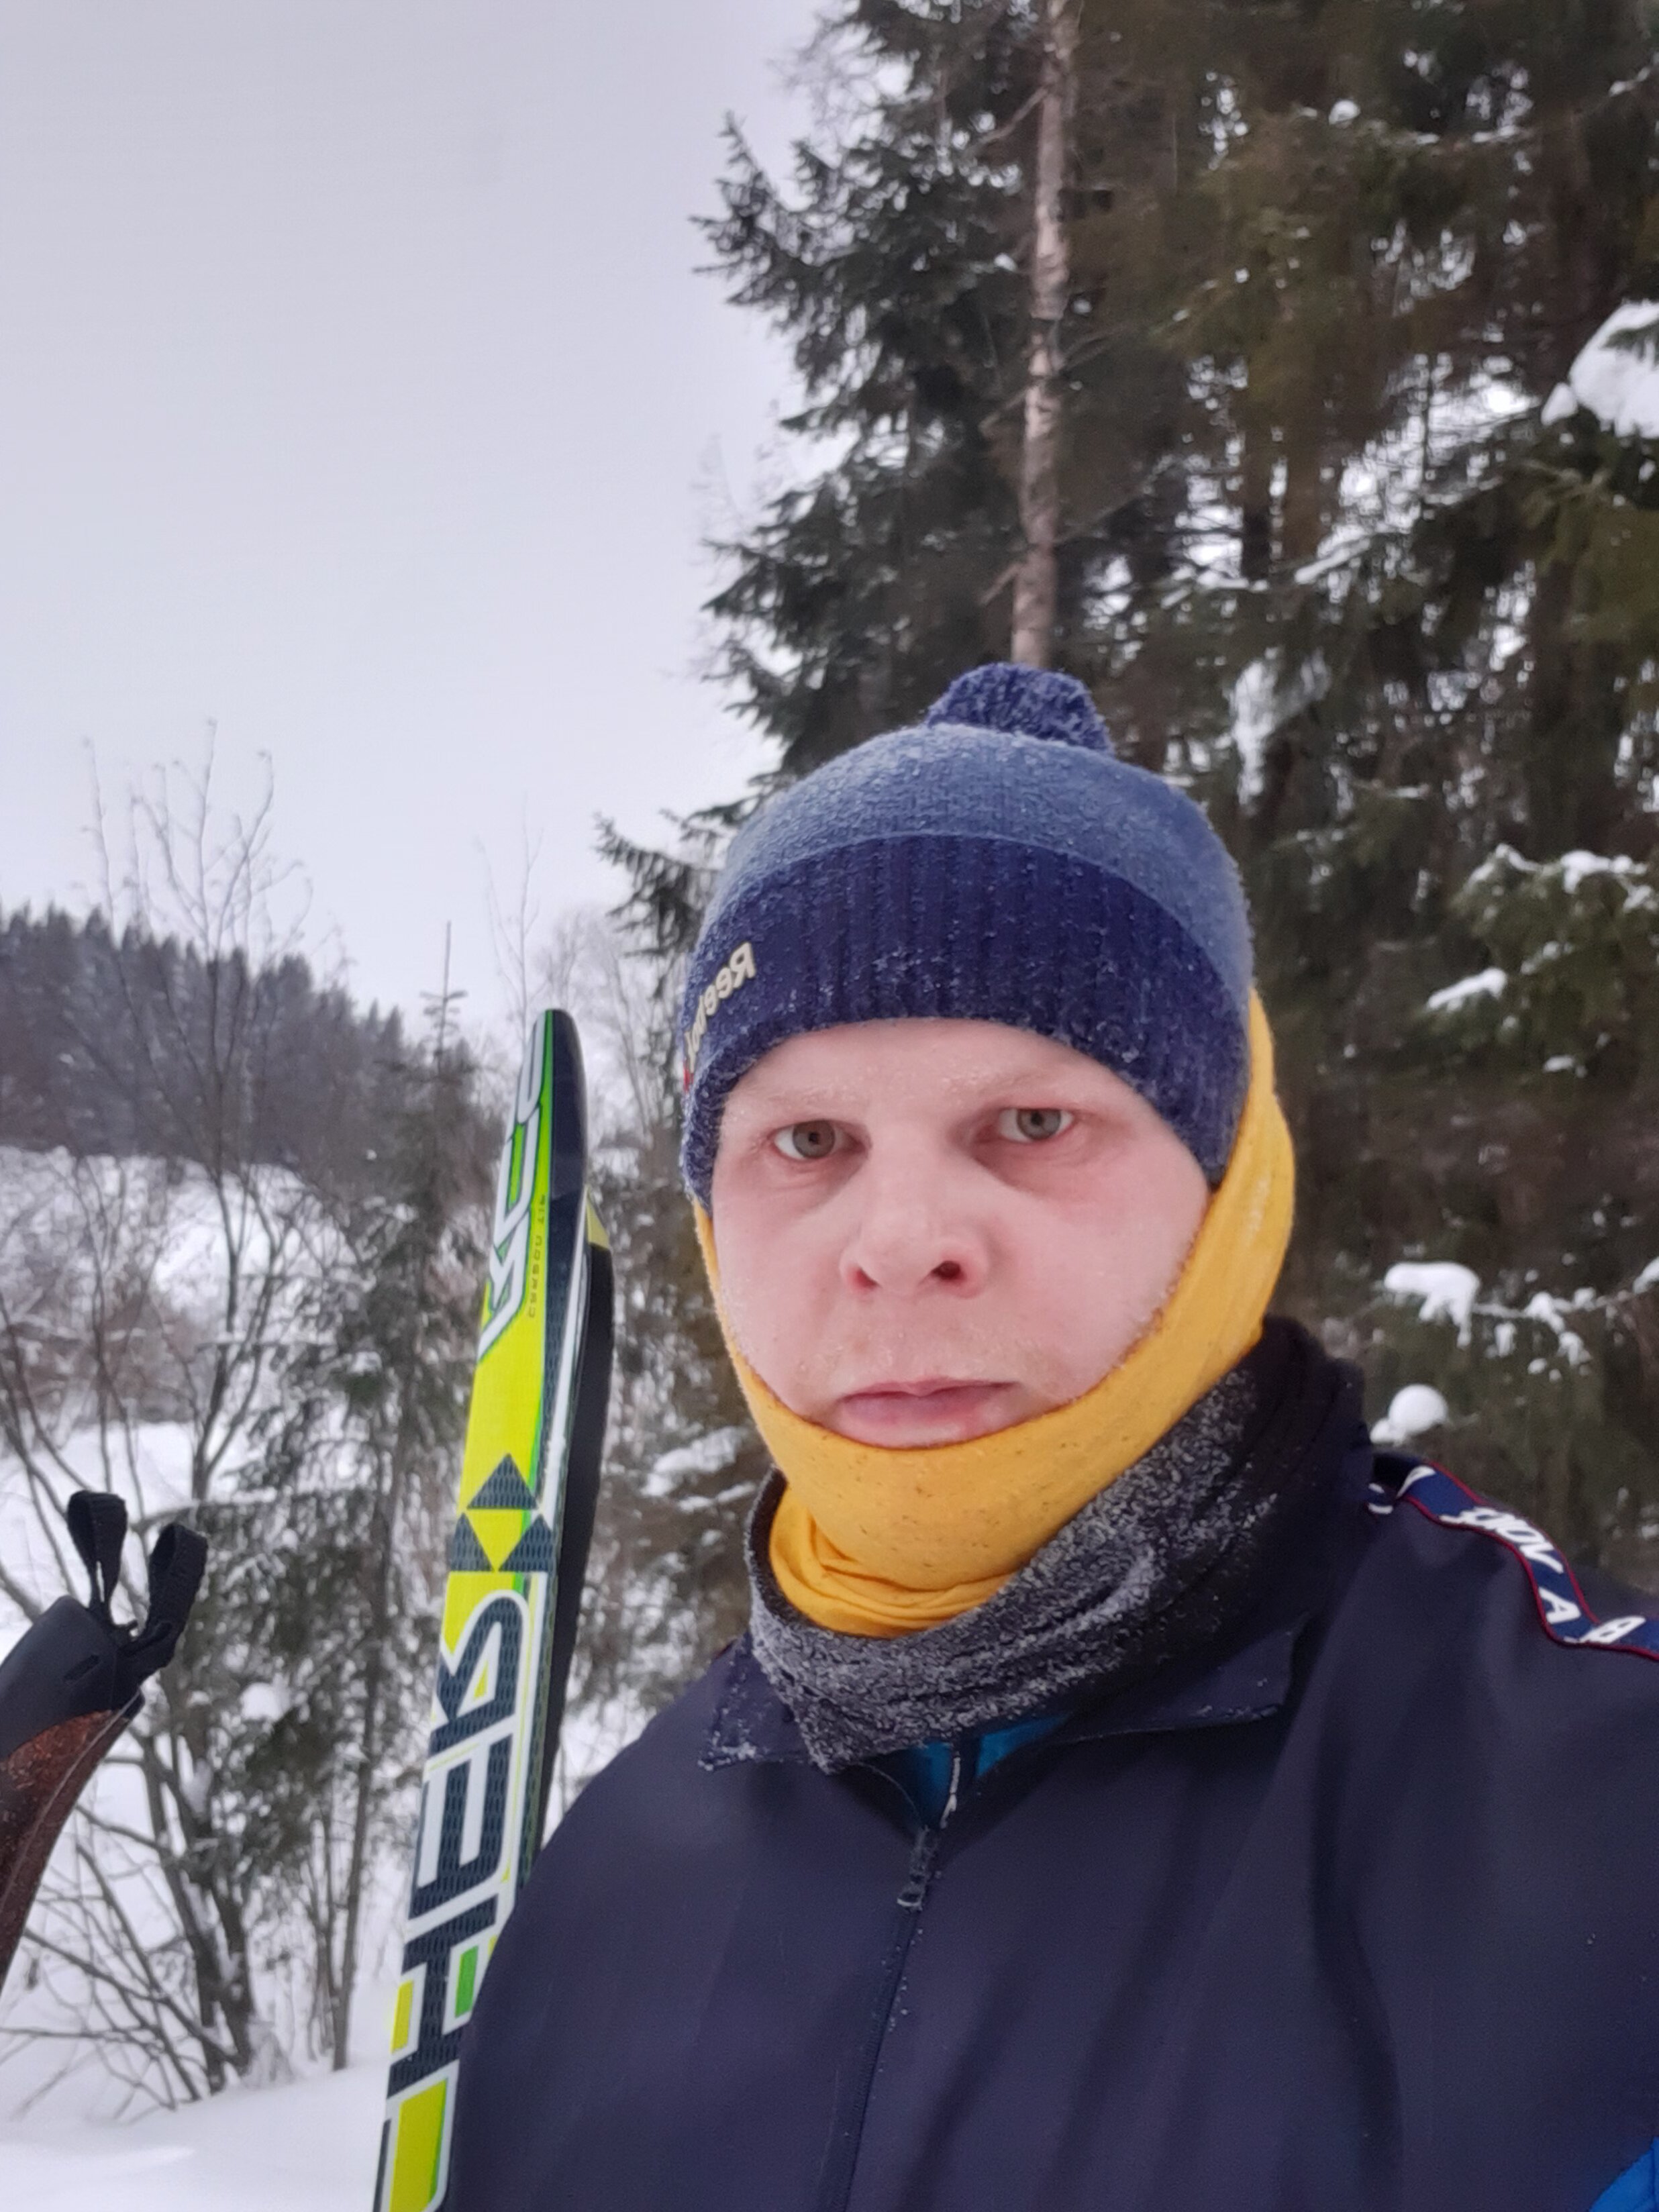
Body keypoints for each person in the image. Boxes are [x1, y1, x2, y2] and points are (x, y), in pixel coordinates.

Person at [450, 664, 1659, 2212]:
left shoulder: (1588, 1812)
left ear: (1225, 1180)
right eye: (806, 1140)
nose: (902, 1243)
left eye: (1031, 1123)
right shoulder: (613, 1879)